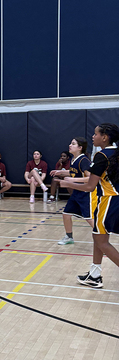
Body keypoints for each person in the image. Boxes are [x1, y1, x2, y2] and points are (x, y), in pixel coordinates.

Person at [61, 123, 119, 289]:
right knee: (98, 236)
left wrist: (66, 183)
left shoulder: (102, 156)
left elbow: (89, 186)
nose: (93, 137)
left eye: (96, 134)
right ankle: (94, 275)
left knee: (101, 241)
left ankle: (95, 275)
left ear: (105, 137)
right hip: (114, 200)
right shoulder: (115, 153)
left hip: (108, 201)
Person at [50, 137, 93, 246]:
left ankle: (103, 241)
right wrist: (60, 172)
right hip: (76, 193)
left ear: (80, 148)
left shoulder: (84, 160)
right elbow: (74, 172)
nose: (70, 145)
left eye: (73, 144)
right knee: (66, 214)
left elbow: (90, 178)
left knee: (90, 219)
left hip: (85, 194)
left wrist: (72, 180)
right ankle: (69, 237)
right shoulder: (74, 159)